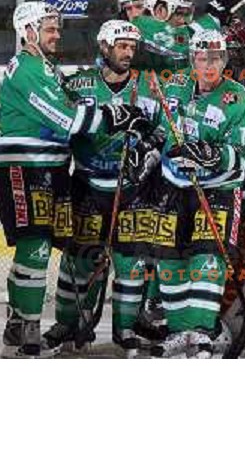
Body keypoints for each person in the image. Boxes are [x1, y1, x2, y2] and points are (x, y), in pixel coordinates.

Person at [0, 3, 149, 357]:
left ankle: (19, 320)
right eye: (49, 28)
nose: (57, 33)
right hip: (22, 163)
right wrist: (113, 115)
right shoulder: (27, 68)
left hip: (50, 167)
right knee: (36, 245)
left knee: (41, 244)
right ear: (28, 31)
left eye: (56, 27)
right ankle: (30, 328)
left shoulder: (47, 69)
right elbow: (66, 120)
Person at [41, 20, 164, 356]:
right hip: (87, 182)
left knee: (131, 262)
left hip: (132, 187)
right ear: (105, 46)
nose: (128, 53)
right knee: (78, 259)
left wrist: (149, 149)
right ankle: (67, 323)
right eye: (121, 46)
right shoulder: (78, 83)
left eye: (132, 47)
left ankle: (124, 329)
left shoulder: (147, 86)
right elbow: (59, 121)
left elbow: (165, 130)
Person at [151, 29, 245, 358]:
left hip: (218, 189)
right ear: (192, 60)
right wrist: (147, 147)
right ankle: (179, 331)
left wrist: (212, 155)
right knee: (169, 260)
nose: (209, 64)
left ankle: (201, 332)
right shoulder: (176, 85)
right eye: (202, 57)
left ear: (224, 60)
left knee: (206, 259)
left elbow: (244, 153)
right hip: (174, 185)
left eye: (216, 57)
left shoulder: (237, 97)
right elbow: (160, 131)